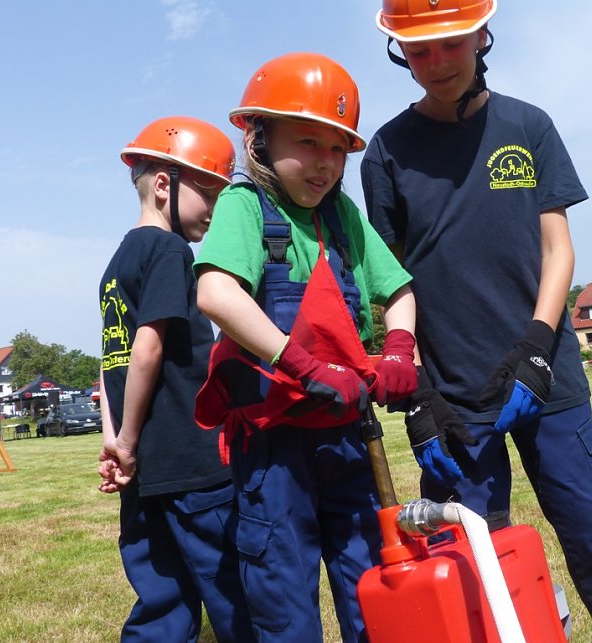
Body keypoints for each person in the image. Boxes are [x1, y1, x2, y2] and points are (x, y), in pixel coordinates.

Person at [360, 1, 592, 641]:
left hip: (547, 381)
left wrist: (539, 349)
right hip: (455, 398)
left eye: (449, 45)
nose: (434, 63)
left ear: (480, 36)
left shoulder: (528, 125)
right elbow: (389, 280)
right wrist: (418, 395)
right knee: (478, 558)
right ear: (399, 54)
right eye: (417, 51)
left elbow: (558, 247)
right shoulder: (385, 153)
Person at [193, 52, 418, 643]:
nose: (325, 163)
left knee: (371, 586)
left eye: (338, 149)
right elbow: (216, 293)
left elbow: (398, 289)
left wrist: (398, 347)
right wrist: (302, 365)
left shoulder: (343, 217)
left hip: (348, 438)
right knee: (284, 601)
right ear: (259, 139)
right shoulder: (246, 206)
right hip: (274, 449)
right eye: (308, 143)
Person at [97, 116, 253, 642]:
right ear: (165, 184)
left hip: (142, 476)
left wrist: (114, 440)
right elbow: (146, 348)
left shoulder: (117, 262)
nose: (214, 212)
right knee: (230, 589)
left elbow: (108, 358)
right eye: (209, 194)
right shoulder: (169, 251)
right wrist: (130, 441)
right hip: (191, 463)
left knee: (162, 597)